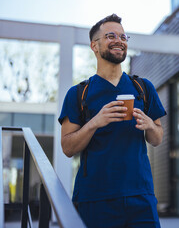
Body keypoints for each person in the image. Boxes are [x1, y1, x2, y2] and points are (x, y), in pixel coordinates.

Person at [58, 14, 166, 228]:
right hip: (94, 198)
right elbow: (68, 147)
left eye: (124, 37)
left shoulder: (143, 89)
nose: (119, 40)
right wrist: (95, 122)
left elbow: (158, 138)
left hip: (140, 196)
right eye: (110, 36)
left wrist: (149, 124)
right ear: (94, 46)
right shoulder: (78, 93)